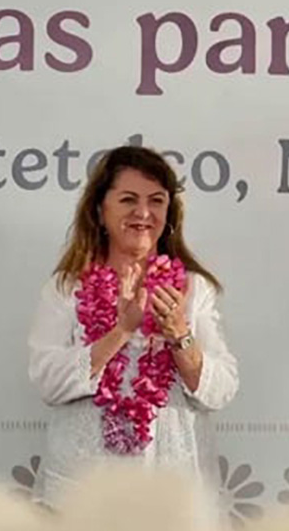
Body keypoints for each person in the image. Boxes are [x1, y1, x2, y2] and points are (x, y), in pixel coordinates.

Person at [27, 145, 238, 507]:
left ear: (169, 213)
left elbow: (222, 390)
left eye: (156, 201)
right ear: (99, 210)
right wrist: (121, 332)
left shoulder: (192, 289)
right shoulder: (67, 287)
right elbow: (47, 380)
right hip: (83, 498)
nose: (143, 213)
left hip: (173, 497)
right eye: (128, 199)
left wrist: (180, 336)